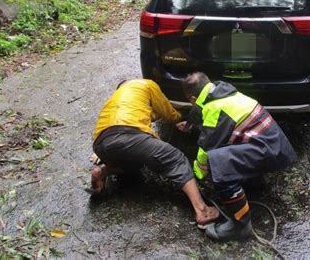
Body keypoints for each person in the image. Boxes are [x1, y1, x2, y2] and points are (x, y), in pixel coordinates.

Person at [178, 72, 297, 241]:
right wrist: (190, 125)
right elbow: (203, 114)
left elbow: (207, 146)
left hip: (267, 152)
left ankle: (240, 225)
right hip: (274, 146)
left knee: (219, 163)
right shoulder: (224, 92)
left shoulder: (215, 108)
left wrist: (197, 173)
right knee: (231, 147)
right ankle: (254, 182)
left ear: (192, 98)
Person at [89, 79, 219, 227]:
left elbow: (146, 114)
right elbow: (167, 111)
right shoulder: (146, 84)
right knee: (176, 159)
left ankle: (103, 171)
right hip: (127, 134)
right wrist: (180, 118)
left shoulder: (114, 98)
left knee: (134, 165)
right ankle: (202, 210)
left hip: (101, 144)